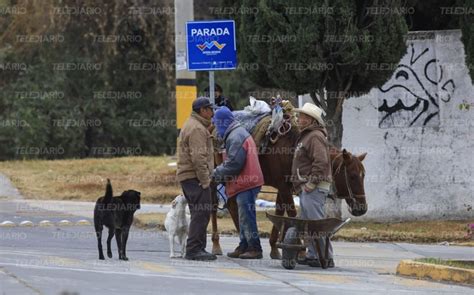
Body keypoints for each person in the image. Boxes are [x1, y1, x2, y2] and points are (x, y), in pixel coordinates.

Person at [212, 107, 264, 259]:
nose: (216, 127)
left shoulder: (235, 137)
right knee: (243, 216)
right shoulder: (235, 133)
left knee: (247, 216)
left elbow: (234, 163)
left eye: (217, 123)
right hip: (246, 181)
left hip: (247, 182)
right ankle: (243, 245)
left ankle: (255, 248)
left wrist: (215, 173)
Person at [291, 103, 334, 268]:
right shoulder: (307, 135)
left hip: (314, 187)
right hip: (308, 187)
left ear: (310, 119)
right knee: (310, 224)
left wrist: (311, 183)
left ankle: (325, 257)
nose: (299, 118)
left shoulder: (315, 136)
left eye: (302, 116)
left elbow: (321, 162)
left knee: (316, 223)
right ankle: (313, 255)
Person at [176, 97, 217, 261]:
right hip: (195, 176)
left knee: (198, 212)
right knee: (201, 212)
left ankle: (198, 247)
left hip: (189, 176)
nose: (213, 112)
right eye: (210, 109)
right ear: (203, 110)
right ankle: (194, 249)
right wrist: (205, 180)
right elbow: (199, 158)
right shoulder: (197, 129)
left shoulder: (192, 124)